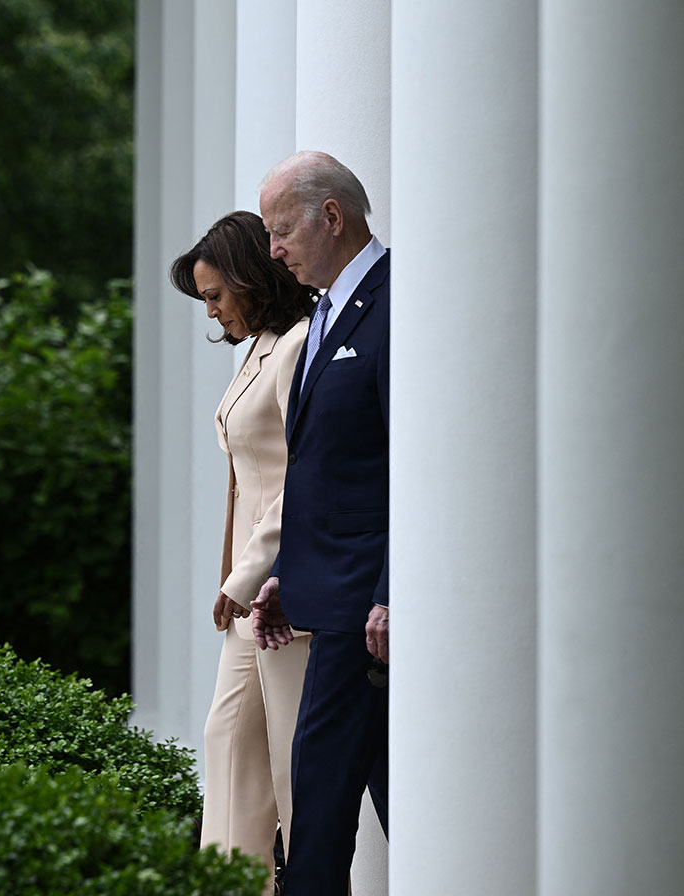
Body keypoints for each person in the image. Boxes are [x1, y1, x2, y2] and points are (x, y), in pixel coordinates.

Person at [250, 152, 389, 896]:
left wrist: (393, 589)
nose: (273, 251)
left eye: (280, 232)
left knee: (321, 812)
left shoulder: (395, 303)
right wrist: (286, 574)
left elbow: (411, 465)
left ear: (330, 218)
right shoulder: (329, 311)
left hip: (362, 613)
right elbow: (326, 467)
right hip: (329, 595)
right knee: (390, 797)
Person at [170, 210, 314, 895]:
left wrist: (249, 570)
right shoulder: (258, 348)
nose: (214, 311)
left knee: (291, 772)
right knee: (228, 744)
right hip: (246, 600)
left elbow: (303, 474)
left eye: (216, 295)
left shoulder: (297, 349)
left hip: (286, 592)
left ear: (252, 278)